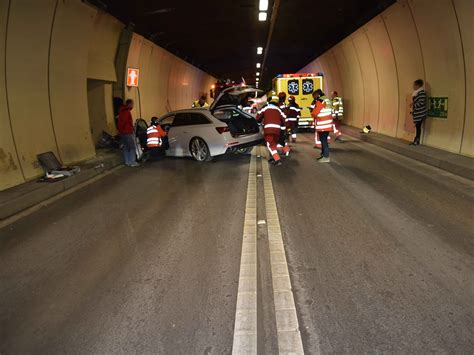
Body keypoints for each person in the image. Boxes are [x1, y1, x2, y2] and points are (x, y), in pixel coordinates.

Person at [256, 95, 288, 166]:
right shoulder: (279, 109)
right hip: (277, 130)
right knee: (273, 144)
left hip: (268, 129)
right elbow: (284, 119)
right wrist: (283, 129)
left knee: (270, 145)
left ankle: (277, 159)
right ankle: (274, 158)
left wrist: (258, 123)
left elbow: (258, 117)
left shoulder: (265, 108)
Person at [311, 89, 333, 163]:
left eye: (314, 96)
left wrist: (312, 113)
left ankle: (326, 157)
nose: (314, 98)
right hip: (327, 124)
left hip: (322, 124)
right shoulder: (327, 100)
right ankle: (323, 155)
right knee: (324, 140)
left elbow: (314, 113)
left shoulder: (320, 101)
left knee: (323, 141)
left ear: (317, 94)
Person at [117, 99, 139, 167]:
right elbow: (124, 122)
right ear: (129, 104)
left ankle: (127, 161)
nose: (133, 105)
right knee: (132, 147)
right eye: (132, 104)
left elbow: (120, 122)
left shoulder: (121, 111)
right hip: (127, 132)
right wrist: (129, 128)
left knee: (126, 147)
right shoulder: (126, 111)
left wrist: (120, 131)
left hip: (123, 132)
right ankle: (132, 162)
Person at [409, 79, 427, 145]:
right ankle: (416, 140)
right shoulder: (417, 93)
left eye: (414, 85)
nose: (413, 86)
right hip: (417, 113)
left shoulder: (421, 93)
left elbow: (421, 102)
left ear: (418, 85)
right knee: (417, 127)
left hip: (420, 113)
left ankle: (417, 140)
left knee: (418, 127)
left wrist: (414, 105)